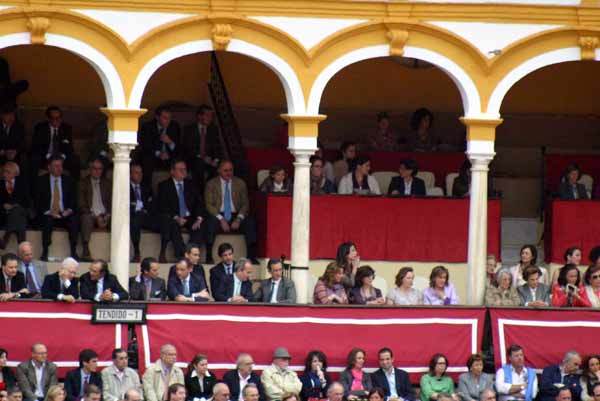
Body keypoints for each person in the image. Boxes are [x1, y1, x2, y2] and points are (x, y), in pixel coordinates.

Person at [204, 160, 258, 263]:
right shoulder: (211, 184)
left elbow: (245, 204)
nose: (229, 173)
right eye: (225, 170)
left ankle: (251, 256)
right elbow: (209, 204)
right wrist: (221, 219)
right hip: (218, 215)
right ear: (219, 170)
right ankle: (209, 256)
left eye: (231, 170)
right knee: (210, 222)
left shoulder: (240, 183)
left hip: (235, 215)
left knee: (250, 222)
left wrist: (239, 218)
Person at [157, 159, 207, 263]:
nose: (183, 172)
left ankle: (191, 252)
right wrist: (176, 217)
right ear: (172, 171)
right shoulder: (164, 186)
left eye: (185, 169)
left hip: (189, 217)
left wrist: (199, 218)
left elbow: (199, 203)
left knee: (200, 226)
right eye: (180, 169)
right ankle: (181, 255)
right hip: (174, 217)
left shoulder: (191, 185)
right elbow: (162, 205)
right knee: (172, 225)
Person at [34, 155, 79, 261]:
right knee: (47, 221)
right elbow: (37, 201)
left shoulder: (69, 180)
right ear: (49, 167)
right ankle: (45, 251)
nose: (59, 168)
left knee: (74, 220)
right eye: (56, 166)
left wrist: (69, 210)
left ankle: (73, 251)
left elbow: (74, 200)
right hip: (48, 214)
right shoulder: (41, 181)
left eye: (61, 166)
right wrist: (49, 212)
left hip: (64, 214)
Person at [30, 106, 80, 188]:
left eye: (59, 117)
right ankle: (34, 191)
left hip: (62, 157)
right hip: (45, 157)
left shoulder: (67, 128)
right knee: (34, 160)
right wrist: (48, 157)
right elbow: (36, 147)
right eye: (54, 118)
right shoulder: (40, 128)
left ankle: (74, 189)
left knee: (75, 160)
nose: (57, 120)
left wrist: (62, 157)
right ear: (48, 119)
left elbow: (70, 148)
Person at [136, 106, 181, 190]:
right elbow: (145, 145)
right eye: (165, 118)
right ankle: (147, 193)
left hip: (169, 157)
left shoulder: (174, 126)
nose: (168, 120)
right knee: (146, 160)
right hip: (153, 156)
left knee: (179, 161)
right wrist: (158, 154)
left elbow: (178, 147)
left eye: (169, 118)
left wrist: (170, 142)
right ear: (157, 117)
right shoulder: (148, 126)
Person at [182, 105, 222, 190]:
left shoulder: (213, 129)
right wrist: (203, 157)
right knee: (199, 164)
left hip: (210, 160)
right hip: (194, 158)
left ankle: (209, 190)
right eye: (208, 115)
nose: (210, 118)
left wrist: (215, 160)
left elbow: (217, 147)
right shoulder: (189, 129)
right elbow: (188, 148)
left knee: (218, 167)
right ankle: (199, 192)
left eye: (212, 116)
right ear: (199, 116)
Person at [79, 158, 112, 261]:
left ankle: (118, 249)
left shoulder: (107, 183)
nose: (97, 171)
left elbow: (112, 202)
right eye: (95, 168)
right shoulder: (83, 183)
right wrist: (95, 216)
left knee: (117, 220)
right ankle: (85, 248)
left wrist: (108, 214)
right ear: (90, 169)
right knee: (86, 218)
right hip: (91, 214)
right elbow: (81, 204)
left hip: (105, 214)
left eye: (100, 169)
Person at [129, 162, 157, 263]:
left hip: (146, 216)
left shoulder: (146, 187)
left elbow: (152, 203)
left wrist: (139, 206)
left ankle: (162, 252)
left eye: (141, 173)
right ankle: (137, 251)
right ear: (130, 174)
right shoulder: (125, 186)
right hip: (132, 216)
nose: (140, 175)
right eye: (136, 173)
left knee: (166, 220)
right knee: (135, 220)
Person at [0, 162, 29, 247]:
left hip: (18, 212)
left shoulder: (22, 184)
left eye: (8, 172)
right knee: (19, 220)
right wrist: (3, 206)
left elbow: (27, 201)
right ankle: (22, 245)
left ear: (15, 174)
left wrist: (15, 206)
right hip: (3, 214)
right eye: (4, 171)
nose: (5, 174)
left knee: (16, 211)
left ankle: (6, 238)